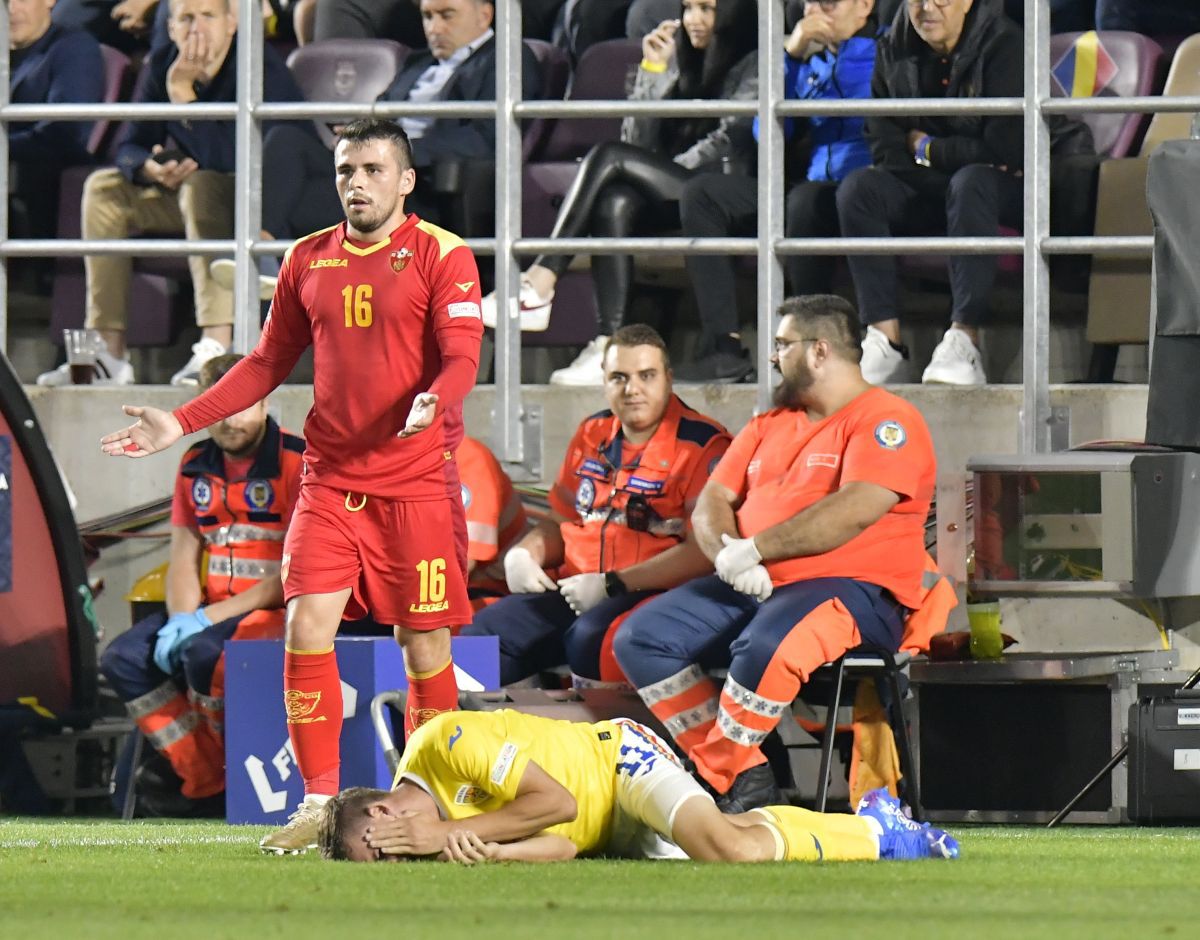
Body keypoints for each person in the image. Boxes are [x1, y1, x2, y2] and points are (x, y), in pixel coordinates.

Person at [99, 118, 484, 855]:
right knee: (306, 631)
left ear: (406, 181)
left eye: (373, 169)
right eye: (346, 170)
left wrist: (442, 394)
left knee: (424, 650)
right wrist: (179, 422)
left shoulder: (444, 254)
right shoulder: (308, 260)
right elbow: (264, 364)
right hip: (331, 482)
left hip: (415, 484)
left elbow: (465, 350)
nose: (357, 183)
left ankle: (426, 802)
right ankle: (315, 803)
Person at [612, 295, 948, 814]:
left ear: (819, 351)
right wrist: (729, 554)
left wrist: (755, 549)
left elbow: (855, 508)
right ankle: (746, 775)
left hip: (854, 591)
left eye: (782, 345)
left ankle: (715, 778)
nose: (771, 357)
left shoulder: (886, 419)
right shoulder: (770, 421)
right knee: (640, 636)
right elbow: (713, 500)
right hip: (756, 583)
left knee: (766, 642)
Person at [480, 0, 758, 387]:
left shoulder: (756, 60)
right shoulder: (683, 57)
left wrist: (662, 167)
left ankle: (543, 277)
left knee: (609, 156)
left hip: (719, 190)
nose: (694, 20)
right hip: (675, 186)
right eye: (688, 8)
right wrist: (654, 70)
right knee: (615, 201)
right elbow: (636, 139)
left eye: (707, 9)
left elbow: (730, 139)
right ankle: (606, 341)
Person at [35, 0, 308, 389]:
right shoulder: (163, 61)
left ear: (232, 23)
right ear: (171, 28)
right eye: (185, 18)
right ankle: (107, 354)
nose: (196, 28)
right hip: (182, 196)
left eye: (208, 16)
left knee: (202, 185)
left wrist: (184, 98)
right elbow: (128, 146)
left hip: (252, 204)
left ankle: (217, 343)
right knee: (104, 189)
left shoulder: (259, 68)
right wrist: (150, 167)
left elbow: (244, 159)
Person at [835, 0, 1094, 386]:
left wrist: (926, 149)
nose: (926, 8)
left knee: (973, 183)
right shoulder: (893, 46)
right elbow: (885, 147)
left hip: (1022, 189)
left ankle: (964, 339)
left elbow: (1005, 147)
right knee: (859, 188)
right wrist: (950, 173)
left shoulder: (1005, 43)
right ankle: (885, 341)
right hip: (948, 189)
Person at [317, 709, 960, 863]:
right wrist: (494, 851)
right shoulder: (437, 847)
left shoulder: (445, 742)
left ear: (381, 809)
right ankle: (877, 821)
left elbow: (557, 803)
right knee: (740, 836)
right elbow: (563, 844)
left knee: (726, 849)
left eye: (381, 848)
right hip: (604, 834)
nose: (397, 857)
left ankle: (882, 834)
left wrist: (450, 833)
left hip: (616, 760)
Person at [461, 325, 730, 686]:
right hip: (575, 590)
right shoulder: (592, 432)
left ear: (668, 378)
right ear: (603, 380)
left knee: (589, 639)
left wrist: (614, 584)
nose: (632, 389)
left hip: (652, 595)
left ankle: (607, 742)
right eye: (619, 377)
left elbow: (701, 554)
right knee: (482, 635)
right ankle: (462, 737)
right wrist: (526, 554)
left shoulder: (703, 444)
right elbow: (562, 521)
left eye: (646, 376)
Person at [99, 354, 304, 814]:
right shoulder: (194, 462)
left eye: (243, 404)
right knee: (123, 659)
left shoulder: (298, 460)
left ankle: (235, 780)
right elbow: (183, 557)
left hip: (275, 610)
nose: (231, 419)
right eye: (218, 405)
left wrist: (205, 620)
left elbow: (297, 570)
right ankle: (206, 781)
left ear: (265, 401)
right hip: (209, 613)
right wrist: (181, 619)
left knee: (206, 656)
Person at [675, 0, 880, 383]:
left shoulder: (885, 51)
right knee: (702, 193)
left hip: (867, 191)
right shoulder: (810, 63)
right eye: (809, 2)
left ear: (865, 5)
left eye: (829, 2)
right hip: (812, 187)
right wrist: (792, 55)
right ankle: (724, 348)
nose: (815, 10)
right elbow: (765, 135)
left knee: (805, 202)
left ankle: (810, 347)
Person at [256, 0, 543, 251]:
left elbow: (488, 139)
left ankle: (260, 258)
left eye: (447, 15)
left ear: (484, 15)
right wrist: (358, 136)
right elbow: (381, 116)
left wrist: (396, 151)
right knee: (285, 139)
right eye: (428, 16)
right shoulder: (416, 63)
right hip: (374, 174)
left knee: (286, 202)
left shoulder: (505, 59)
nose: (435, 27)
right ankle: (262, 243)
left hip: (424, 186)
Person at [8, 0, 104, 248]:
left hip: (44, 168)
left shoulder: (74, 48)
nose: (11, 10)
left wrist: (4, 148)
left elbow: (65, 133)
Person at [456, 435, 530, 608]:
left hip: (487, 593)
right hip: (421, 588)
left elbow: (463, 562)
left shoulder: (466, 459)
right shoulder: (392, 463)